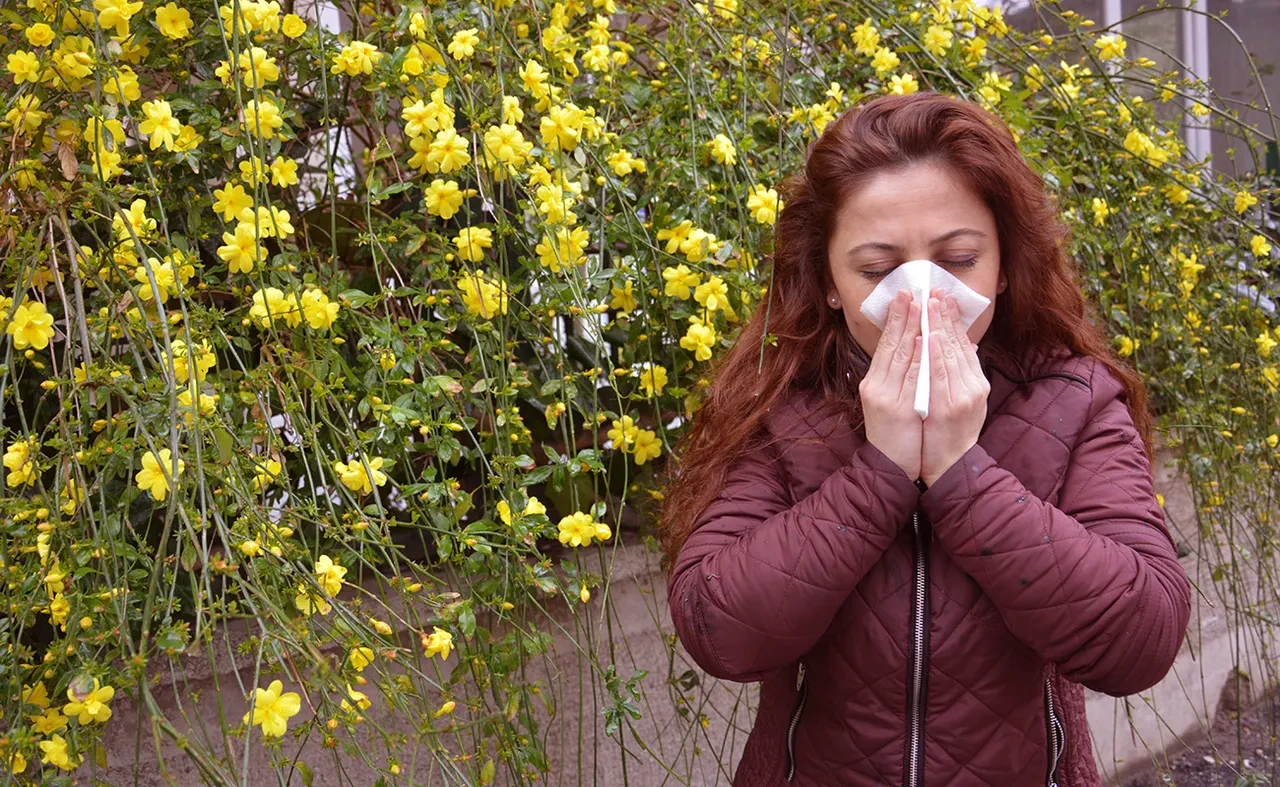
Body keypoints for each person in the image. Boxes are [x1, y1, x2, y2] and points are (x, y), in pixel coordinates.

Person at [659, 91, 1192, 787]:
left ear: (1003, 264)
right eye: (879, 270)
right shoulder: (783, 407)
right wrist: (879, 468)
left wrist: (959, 469)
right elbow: (718, 628)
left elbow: (1141, 640)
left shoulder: (1076, 400)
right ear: (829, 282)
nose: (920, 295)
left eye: (959, 259)